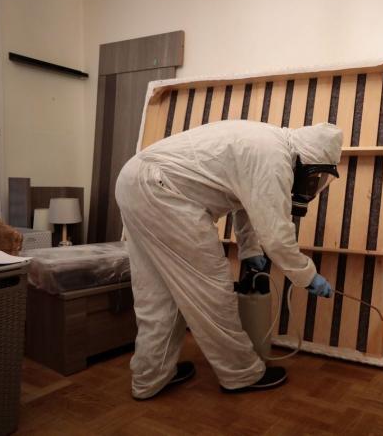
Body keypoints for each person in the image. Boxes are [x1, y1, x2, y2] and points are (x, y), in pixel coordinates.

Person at [115, 120, 343, 399]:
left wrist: (250, 250)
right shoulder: (274, 158)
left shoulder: (266, 143)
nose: (314, 184)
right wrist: (307, 276)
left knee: (157, 293)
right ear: (308, 161)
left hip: (134, 181)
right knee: (211, 291)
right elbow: (277, 237)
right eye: (316, 177)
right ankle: (240, 373)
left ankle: (150, 376)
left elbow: (245, 203)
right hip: (163, 191)